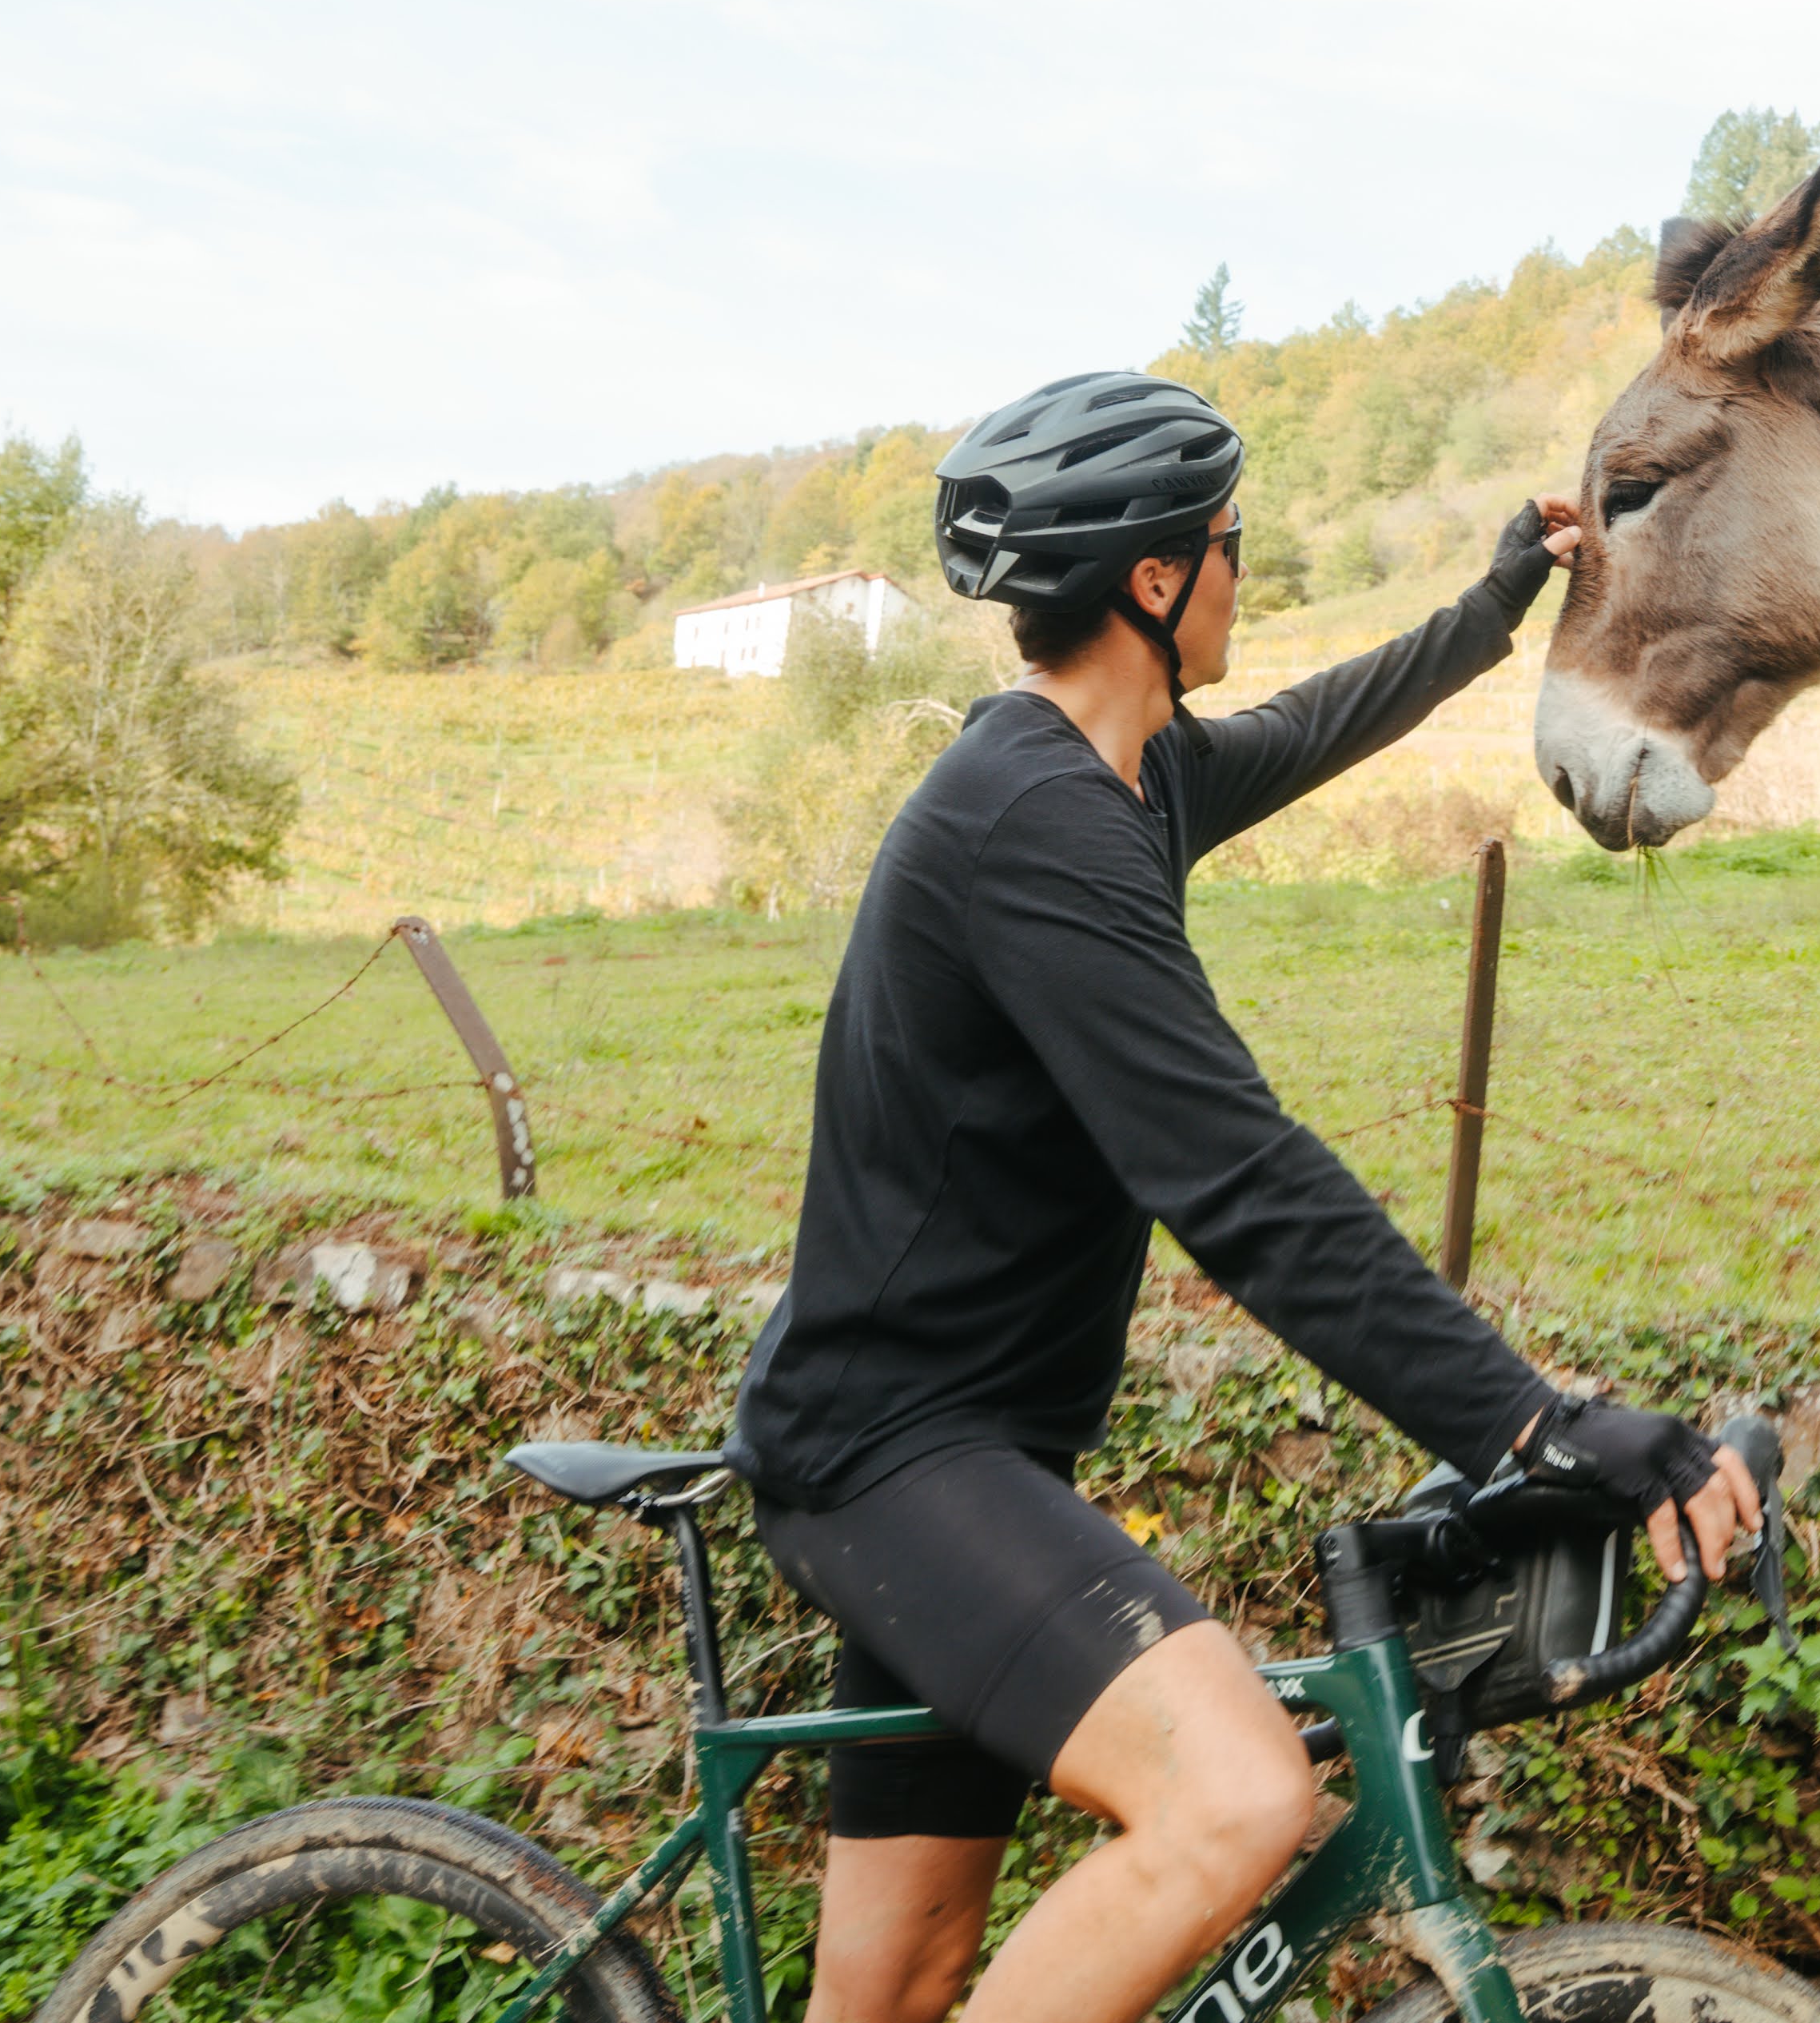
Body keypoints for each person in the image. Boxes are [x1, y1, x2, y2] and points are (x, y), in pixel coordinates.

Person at [725, 371, 1762, 2023]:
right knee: (1237, 1794)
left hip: (954, 1451)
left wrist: (1493, 601)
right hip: (894, 1459)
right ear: (1155, 580)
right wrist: (1535, 1424)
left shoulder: (1117, 778)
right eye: (1226, 544)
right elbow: (1239, 1180)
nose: (1240, 573)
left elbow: (1317, 722)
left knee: (897, 1987)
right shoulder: (1032, 826)